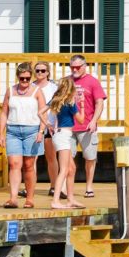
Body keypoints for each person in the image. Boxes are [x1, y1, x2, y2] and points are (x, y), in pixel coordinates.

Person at [0, 62, 47, 209]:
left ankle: (30, 198)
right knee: (14, 164)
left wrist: (41, 131)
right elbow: (4, 112)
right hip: (13, 131)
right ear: (18, 77)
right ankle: (13, 198)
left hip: (32, 130)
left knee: (29, 165)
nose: (24, 81)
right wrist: (1, 133)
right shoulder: (10, 91)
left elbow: (44, 112)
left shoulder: (37, 91)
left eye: (27, 78)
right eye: (22, 78)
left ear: (30, 77)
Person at [68, 54, 106, 199]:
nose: (75, 69)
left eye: (78, 67)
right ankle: (68, 188)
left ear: (85, 66)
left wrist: (94, 120)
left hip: (87, 125)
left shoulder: (92, 81)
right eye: (72, 67)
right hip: (68, 127)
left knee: (90, 157)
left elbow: (99, 103)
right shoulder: (67, 81)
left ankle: (89, 186)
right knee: (67, 158)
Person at [47, 77, 84, 210]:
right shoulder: (70, 102)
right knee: (63, 170)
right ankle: (55, 201)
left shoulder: (56, 100)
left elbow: (40, 112)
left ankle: (70, 199)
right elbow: (81, 120)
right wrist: (82, 105)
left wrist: (48, 124)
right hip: (63, 136)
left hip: (61, 134)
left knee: (71, 168)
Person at [31, 61, 58, 195]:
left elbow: (58, 106)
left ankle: (54, 186)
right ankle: (30, 188)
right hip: (34, 125)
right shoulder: (30, 86)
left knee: (51, 157)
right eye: (37, 71)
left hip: (50, 125)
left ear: (48, 72)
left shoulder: (54, 87)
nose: (40, 73)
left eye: (43, 70)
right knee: (32, 158)